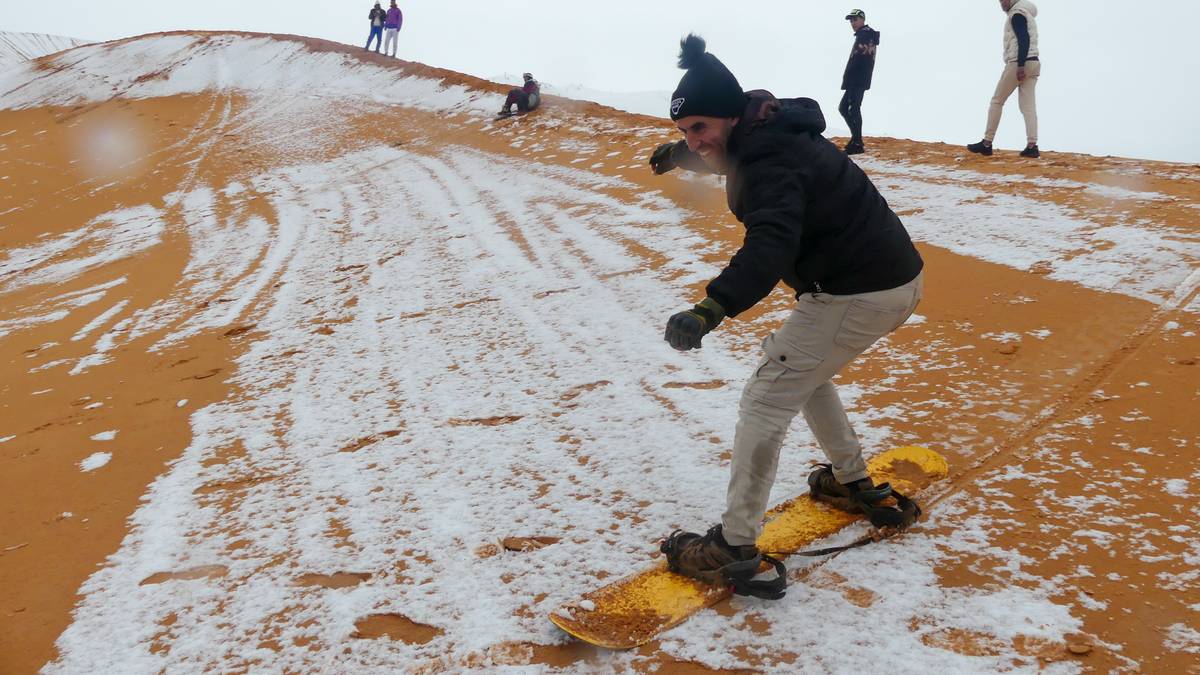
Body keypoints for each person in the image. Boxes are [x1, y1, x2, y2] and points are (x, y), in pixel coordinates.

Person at [649, 34, 925, 591]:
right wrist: (684, 154)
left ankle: (733, 546)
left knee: (765, 397)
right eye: (683, 131)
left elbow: (770, 241)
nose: (694, 140)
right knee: (798, 367)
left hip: (856, 293)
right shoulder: (766, 127)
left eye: (699, 128)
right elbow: (734, 155)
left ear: (728, 116)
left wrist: (711, 307)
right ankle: (852, 482)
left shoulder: (769, 157)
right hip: (885, 282)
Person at [967, 0, 1041, 158]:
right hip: (1034, 62)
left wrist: (1020, 65)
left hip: (1019, 63)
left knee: (997, 101)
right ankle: (1032, 146)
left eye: (1004, 0)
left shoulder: (1017, 14)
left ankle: (987, 143)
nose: (1002, 3)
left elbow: (1023, 38)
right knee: (1028, 107)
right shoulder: (1027, 13)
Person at [838, 9, 880, 155]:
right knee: (845, 108)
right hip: (857, 78)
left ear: (862, 19)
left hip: (857, 78)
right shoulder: (865, 34)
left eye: (855, 20)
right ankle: (856, 139)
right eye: (851, 21)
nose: (853, 23)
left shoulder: (865, 34)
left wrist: (852, 77)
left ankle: (857, 142)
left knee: (851, 108)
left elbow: (861, 59)